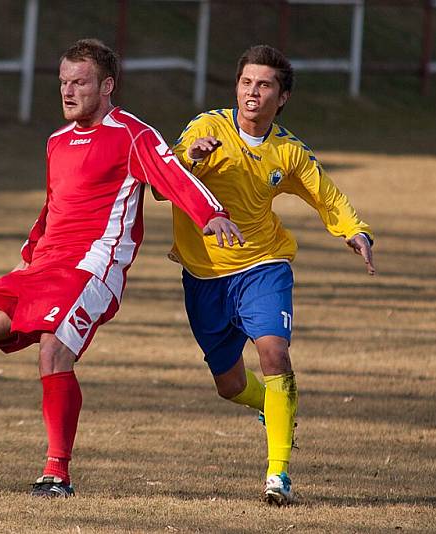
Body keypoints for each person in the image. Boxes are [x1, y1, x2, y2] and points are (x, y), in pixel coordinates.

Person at [0, 38, 243, 498]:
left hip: (92, 268)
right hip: (42, 267)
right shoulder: (57, 142)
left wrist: (211, 214)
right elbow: (53, 209)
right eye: (63, 83)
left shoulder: (132, 134)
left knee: (53, 351)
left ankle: (56, 474)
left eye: (80, 83)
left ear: (107, 85)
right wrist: (26, 259)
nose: (68, 92)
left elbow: (173, 175)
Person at [165, 44, 375, 505]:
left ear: (283, 97)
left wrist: (354, 230)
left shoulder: (288, 151)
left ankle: (278, 476)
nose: (252, 93)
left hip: (263, 265)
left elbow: (327, 195)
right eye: (245, 83)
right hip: (204, 274)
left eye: (264, 85)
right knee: (231, 386)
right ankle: (272, 406)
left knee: (275, 355)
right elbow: (165, 181)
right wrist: (192, 158)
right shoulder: (207, 128)